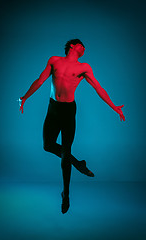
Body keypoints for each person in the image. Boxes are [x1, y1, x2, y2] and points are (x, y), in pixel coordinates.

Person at [19, 39, 125, 214]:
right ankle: (78, 163)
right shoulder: (54, 60)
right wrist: (24, 97)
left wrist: (114, 107)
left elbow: (98, 88)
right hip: (53, 108)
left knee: (65, 153)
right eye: (81, 45)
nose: (84, 48)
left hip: (68, 111)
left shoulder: (84, 67)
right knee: (47, 145)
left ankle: (66, 194)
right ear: (72, 46)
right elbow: (40, 80)